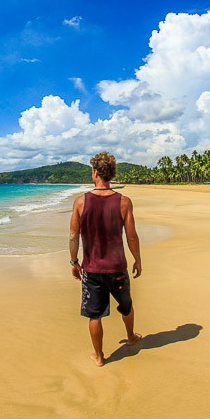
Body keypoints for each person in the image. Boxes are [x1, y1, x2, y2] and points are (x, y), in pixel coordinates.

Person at [69, 152, 142, 367]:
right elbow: (131, 236)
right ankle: (130, 337)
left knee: (95, 315)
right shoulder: (124, 202)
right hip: (117, 267)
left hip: (91, 269)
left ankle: (99, 357)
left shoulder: (81, 202)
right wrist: (137, 259)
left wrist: (74, 262)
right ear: (111, 174)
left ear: (95, 173)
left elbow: (73, 235)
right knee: (126, 306)